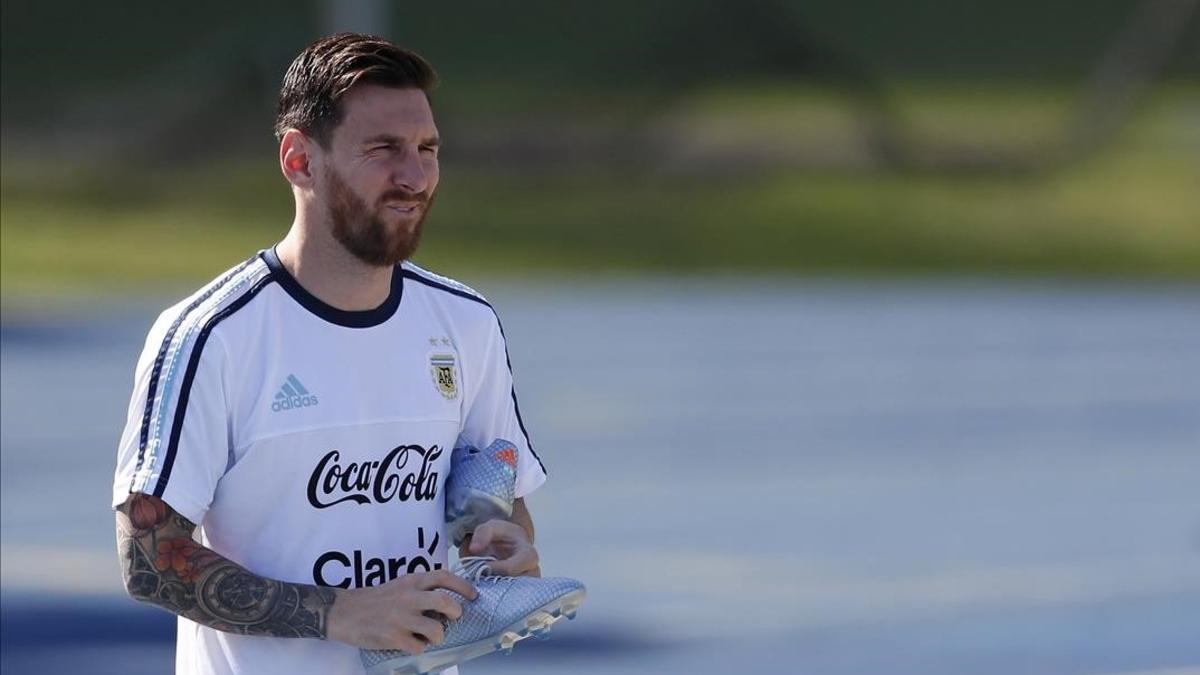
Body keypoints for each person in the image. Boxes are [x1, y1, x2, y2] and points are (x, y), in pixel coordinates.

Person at [112, 33, 549, 675]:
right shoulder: (214, 337)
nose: (415, 176)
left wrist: (503, 543)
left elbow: (483, 489)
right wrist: (341, 613)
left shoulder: (465, 323)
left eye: (428, 149)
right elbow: (147, 559)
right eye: (384, 150)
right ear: (299, 160)